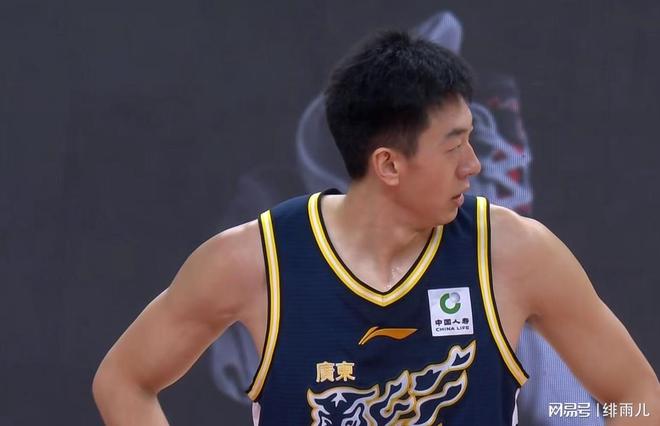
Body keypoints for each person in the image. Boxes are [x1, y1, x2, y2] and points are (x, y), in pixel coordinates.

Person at [92, 30, 659, 425]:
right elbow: (123, 381)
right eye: (454, 145)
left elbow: (636, 397)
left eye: (472, 139)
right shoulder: (255, 262)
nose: (474, 165)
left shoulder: (515, 254)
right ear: (388, 164)